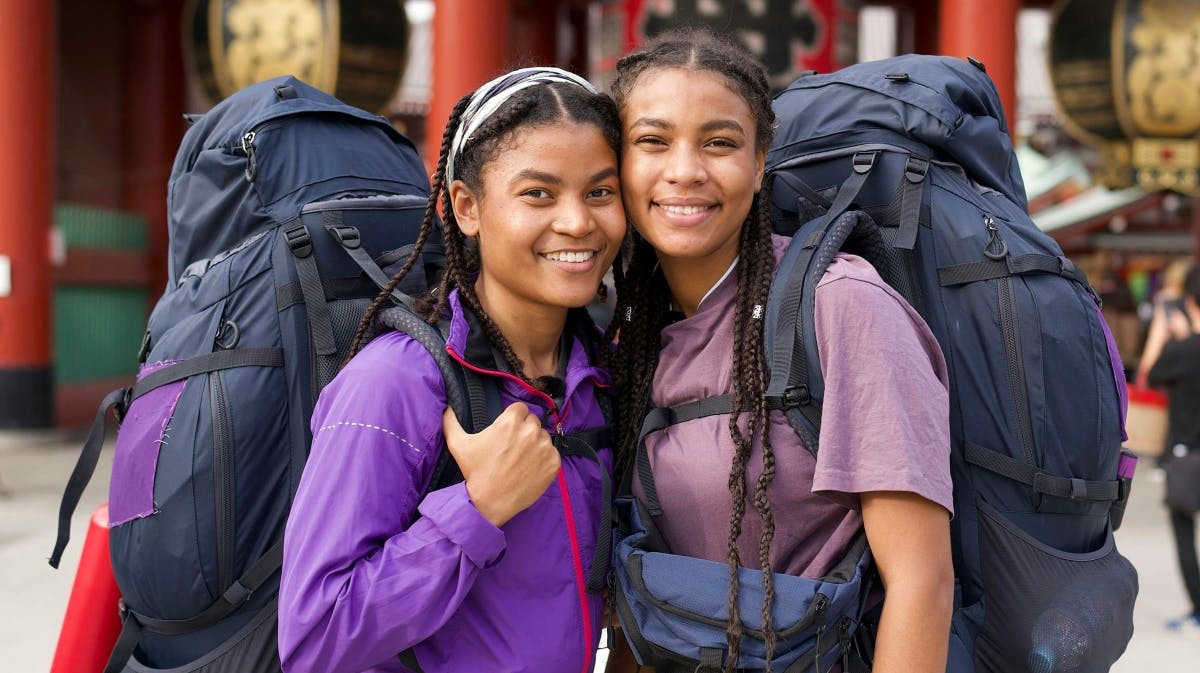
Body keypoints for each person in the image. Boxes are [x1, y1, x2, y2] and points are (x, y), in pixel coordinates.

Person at [604, 28, 954, 672]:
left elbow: (922, 582)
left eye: (720, 143)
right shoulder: (629, 331)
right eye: (652, 142)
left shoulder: (841, 305)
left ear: (761, 161)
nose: (685, 170)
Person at [278, 67, 625, 673]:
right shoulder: (396, 382)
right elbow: (314, 638)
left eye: (599, 192)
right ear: (465, 207)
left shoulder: (595, 376)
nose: (578, 223)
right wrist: (479, 507)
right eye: (538, 194)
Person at [1145, 263, 1200, 635]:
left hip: (1185, 454)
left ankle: (1198, 607)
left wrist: (1167, 334)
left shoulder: (1183, 350)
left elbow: (1149, 374)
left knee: (1184, 532)